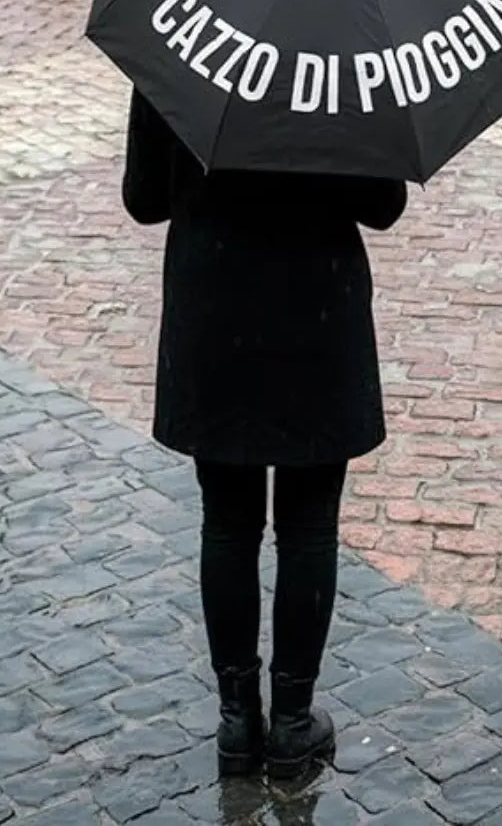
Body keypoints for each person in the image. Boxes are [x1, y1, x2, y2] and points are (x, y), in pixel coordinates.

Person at [121, 90, 407, 780]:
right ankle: (292, 723)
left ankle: (236, 720)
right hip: (316, 305)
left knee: (227, 523)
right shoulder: (349, 60)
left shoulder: (185, 43)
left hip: (216, 303)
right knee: (308, 527)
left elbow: (144, 199)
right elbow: (383, 204)